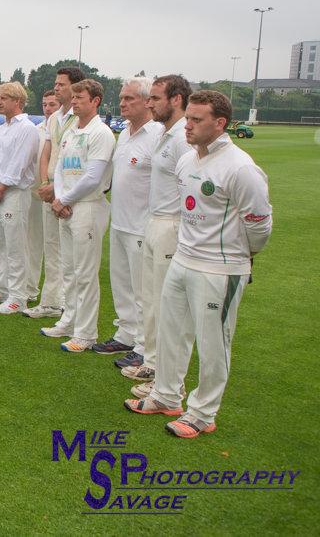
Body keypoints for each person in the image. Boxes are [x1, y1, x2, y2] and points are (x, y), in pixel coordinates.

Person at [125, 90, 272, 439]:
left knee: (212, 343)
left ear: (220, 123)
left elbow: (260, 225)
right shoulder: (187, 160)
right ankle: (165, 396)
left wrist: (239, 256)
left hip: (219, 268)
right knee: (171, 331)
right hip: (183, 258)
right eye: (187, 118)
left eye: (196, 120)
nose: (187, 126)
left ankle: (203, 413)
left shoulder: (240, 167)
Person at [122, 75, 194, 391]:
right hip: (154, 222)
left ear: (176, 99)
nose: (149, 103)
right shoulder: (165, 134)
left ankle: (166, 380)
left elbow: (189, 189)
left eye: (155, 98)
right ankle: (151, 364)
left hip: (171, 225)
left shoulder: (181, 138)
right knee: (151, 300)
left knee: (168, 305)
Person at [46, 80, 116, 351]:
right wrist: (59, 199)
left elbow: (93, 176)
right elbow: (62, 167)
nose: (73, 102)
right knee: (69, 269)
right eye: (72, 97)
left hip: (87, 206)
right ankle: (69, 320)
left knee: (85, 273)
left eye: (80, 98)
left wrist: (65, 199)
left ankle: (86, 333)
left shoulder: (102, 133)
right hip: (65, 205)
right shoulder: (72, 130)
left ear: (96, 101)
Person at [94, 78, 161, 355]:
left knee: (144, 290)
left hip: (142, 224)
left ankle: (145, 346)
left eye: (130, 98)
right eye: (122, 98)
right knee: (121, 283)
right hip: (119, 220)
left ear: (148, 101)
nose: (123, 103)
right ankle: (125, 333)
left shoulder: (157, 134)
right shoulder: (124, 134)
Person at [0, 82, 41, 312]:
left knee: (16, 246)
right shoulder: (2, 128)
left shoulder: (26, 128)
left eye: (5, 97)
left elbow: (19, 164)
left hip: (13, 192)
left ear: (17, 101)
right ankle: (1, 288)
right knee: (1, 244)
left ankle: (18, 296)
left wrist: (0, 189)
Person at [30, 67, 83, 319]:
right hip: (49, 188)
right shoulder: (54, 118)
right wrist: (44, 182)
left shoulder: (80, 117)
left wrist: (58, 189)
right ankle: (50, 302)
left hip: (69, 191)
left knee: (70, 254)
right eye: (57, 84)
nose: (57, 87)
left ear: (75, 87)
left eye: (61, 84)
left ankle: (67, 306)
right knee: (50, 247)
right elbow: (46, 153)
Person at [22, 90, 61, 315]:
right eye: (45, 104)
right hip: (35, 193)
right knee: (33, 242)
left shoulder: (64, 127)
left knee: (56, 249)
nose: (48, 108)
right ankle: (30, 287)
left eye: (52, 104)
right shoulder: (37, 130)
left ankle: (58, 297)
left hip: (56, 193)